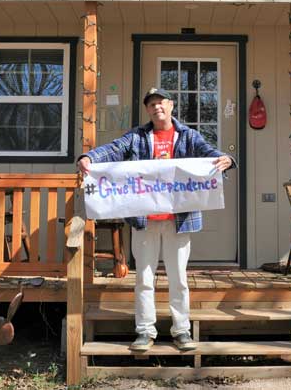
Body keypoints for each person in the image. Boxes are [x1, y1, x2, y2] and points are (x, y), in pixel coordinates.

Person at [77, 88, 235, 352]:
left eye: (160, 102)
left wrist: (226, 159)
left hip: (179, 220)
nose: (156, 107)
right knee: (144, 278)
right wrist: (89, 157)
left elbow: (208, 152)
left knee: (179, 278)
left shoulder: (188, 135)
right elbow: (115, 149)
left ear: (171, 105)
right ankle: (144, 331)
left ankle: (182, 330)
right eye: (151, 104)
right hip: (145, 220)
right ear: (148, 110)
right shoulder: (138, 137)